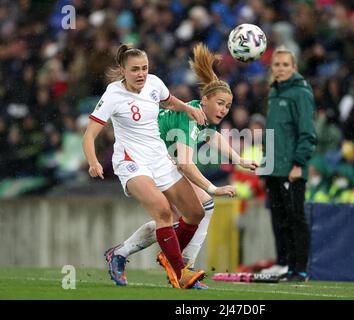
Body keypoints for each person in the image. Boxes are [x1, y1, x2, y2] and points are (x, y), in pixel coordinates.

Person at [103, 43, 258, 289]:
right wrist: (214, 187)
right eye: (220, 104)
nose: (224, 110)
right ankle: (180, 265)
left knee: (182, 216)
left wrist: (238, 160)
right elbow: (185, 164)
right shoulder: (190, 117)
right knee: (192, 209)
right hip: (147, 159)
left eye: (227, 106)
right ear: (205, 100)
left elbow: (213, 135)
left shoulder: (201, 112)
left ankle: (134, 255)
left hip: (162, 160)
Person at [82, 44, 209, 289]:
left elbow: (169, 101)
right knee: (163, 211)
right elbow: (89, 135)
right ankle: (180, 272)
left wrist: (189, 109)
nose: (141, 74)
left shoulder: (154, 83)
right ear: (123, 71)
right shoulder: (113, 94)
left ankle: (125, 254)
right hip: (131, 162)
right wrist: (93, 161)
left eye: (144, 68)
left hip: (158, 158)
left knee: (195, 213)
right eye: (135, 70)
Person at [261, 46, 317, 282]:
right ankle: (285, 265)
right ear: (272, 68)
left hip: (291, 168)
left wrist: (298, 163)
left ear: (294, 68)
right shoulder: (274, 92)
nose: (281, 69)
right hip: (273, 168)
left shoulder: (300, 93)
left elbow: (307, 132)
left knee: (295, 219)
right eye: (277, 65)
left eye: (285, 65)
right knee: (279, 220)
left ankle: (299, 269)